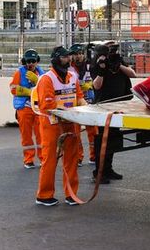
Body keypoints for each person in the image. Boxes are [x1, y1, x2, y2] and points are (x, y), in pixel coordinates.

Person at [32, 46, 86, 206]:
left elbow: (79, 97)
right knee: (50, 160)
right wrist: (68, 111)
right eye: (64, 57)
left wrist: (86, 105)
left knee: (72, 159)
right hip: (52, 126)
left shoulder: (72, 77)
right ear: (55, 59)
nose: (68, 59)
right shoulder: (46, 79)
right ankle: (43, 195)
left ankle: (71, 194)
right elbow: (48, 105)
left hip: (71, 123)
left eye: (68, 56)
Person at [91, 43, 137, 183]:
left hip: (118, 106)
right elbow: (96, 85)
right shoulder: (97, 65)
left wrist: (119, 65)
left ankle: (108, 169)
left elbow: (133, 74)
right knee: (103, 141)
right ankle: (99, 173)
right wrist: (102, 70)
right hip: (103, 107)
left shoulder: (117, 61)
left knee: (113, 140)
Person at [10, 49, 44, 168]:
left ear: (37, 61)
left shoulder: (42, 73)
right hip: (24, 108)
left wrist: (37, 81)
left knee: (41, 134)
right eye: (28, 61)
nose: (30, 64)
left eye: (33, 61)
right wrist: (29, 91)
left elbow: (47, 89)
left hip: (38, 108)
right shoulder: (19, 73)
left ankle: (43, 158)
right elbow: (13, 89)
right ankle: (28, 159)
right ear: (24, 62)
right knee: (26, 135)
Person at [69, 43, 98, 166]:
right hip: (75, 103)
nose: (79, 56)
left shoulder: (90, 65)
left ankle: (94, 156)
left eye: (80, 53)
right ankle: (78, 157)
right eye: (76, 54)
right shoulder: (68, 68)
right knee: (75, 133)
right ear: (71, 56)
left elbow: (97, 79)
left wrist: (90, 85)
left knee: (93, 131)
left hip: (90, 102)